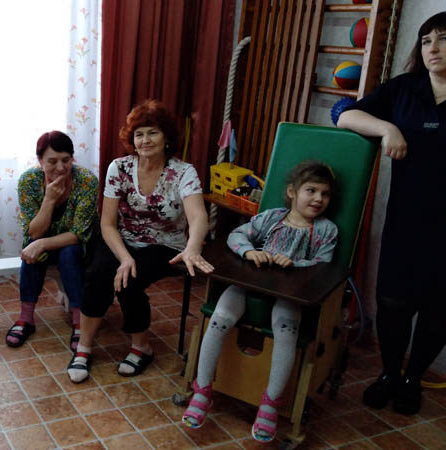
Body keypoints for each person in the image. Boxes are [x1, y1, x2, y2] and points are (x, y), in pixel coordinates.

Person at [337, 11, 446, 416]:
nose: (433, 48)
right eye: (426, 40)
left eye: (443, 39)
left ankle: (413, 379)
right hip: (406, 221)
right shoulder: (405, 89)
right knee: (393, 303)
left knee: (438, 312)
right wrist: (388, 129)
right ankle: (389, 374)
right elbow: (345, 114)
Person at [181, 161, 338, 443]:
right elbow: (236, 235)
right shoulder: (271, 218)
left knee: (286, 329)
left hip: (290, 295)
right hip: (249, 286)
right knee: (219, 318)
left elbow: (323, 265)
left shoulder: (327, 230)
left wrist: (296, 263)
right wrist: (249, 252)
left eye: (325, 194)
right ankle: (202, 389)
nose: (318, 199)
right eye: (311, 190)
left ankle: (271, 403)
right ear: (292, 192)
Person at [67, 99, 213, 384]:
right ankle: (84, 348)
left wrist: (193, 247)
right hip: (119, 238)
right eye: (139, 134)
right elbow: (107, 223)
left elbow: (198, 216)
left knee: (129, 280)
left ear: (166, 137)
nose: (145, 140)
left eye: (152, 132)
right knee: (99, 273)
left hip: (164, 244)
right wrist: (124, 256)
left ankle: (142, 347)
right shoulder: (119, 168)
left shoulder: (183, 172)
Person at [6, 131, 98, 352]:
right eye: (52, 161)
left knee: (68, 253)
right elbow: (35, 231)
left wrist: (41, 243)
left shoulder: (86, 181)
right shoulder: (29, 181)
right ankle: (26, 318)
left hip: (77, 244)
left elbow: (78, 233)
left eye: (66, 160)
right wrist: (49, 199)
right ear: (40, 161)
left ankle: (79, 321)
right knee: (33, 250)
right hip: (43, 236)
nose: (60, 168)